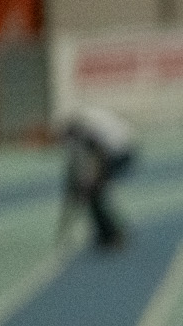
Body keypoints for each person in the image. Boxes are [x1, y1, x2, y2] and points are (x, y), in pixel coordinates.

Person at [58, 103, 136, 250]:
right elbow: (76, 166)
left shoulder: (83, 129)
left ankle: (112, 235)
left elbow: (100, 154)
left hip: (120, 152)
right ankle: (108, 233)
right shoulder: (82, 122)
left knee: (94, 193)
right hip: (120, 148)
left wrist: (93, 180)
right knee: (94, 193)